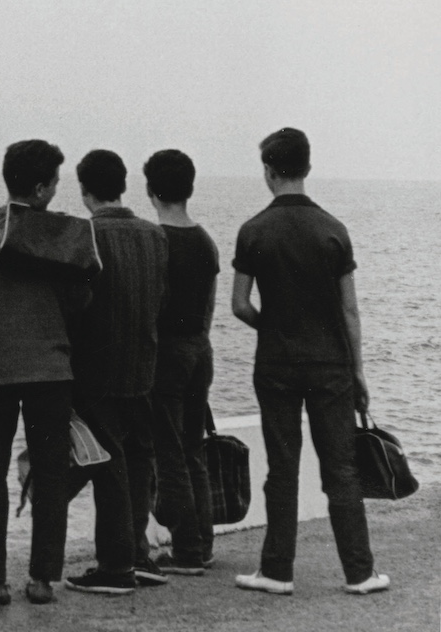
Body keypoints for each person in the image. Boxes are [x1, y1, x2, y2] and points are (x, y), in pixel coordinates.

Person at [230, 127, 388, 596]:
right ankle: (360, 573)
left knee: (282, 466)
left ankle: (277, 571)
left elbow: (239, 304)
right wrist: (358, 372)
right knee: (340, 467)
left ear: (268, 171)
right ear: (307, 167)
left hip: (277, 362)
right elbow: (349, 311)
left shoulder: (253, 230)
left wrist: (274, 327)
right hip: (331, 365)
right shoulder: (334, 230)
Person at [0, 140, 95, 606]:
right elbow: (82, 304)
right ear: (41, 188)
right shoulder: (66, 237)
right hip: (52, 371)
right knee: (50, 472)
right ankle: (42, 579)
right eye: (54, 181)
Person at [64, 149, 169, 595]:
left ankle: (115, 566)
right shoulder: (154, 236)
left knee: (107, 465)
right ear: (123, 184)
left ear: (84, 189)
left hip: (98, 368)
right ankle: (138, 555)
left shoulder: (85, 235)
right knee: (139, 458)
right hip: (143, 363)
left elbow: (76, 307)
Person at [142, 150, 219, 576]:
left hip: (167, 352)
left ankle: (187, 549)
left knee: (167, 450)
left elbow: (152, 307)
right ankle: (201, 544)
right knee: (193, 449)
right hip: (198, 350)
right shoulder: (205, 241)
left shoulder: (156, 242)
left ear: (151, 190)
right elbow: (207, 307)